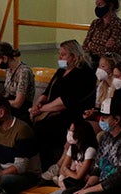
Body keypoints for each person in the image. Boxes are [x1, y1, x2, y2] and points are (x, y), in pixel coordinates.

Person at [31, 40, 96, 169]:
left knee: (44, 129)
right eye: (59, 54)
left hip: (72, 114)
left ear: (74, 56)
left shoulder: (83, 73)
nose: (60, 58)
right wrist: (38, 104)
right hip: (51, 111)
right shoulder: (61, 71)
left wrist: (42, 109)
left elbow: (65, 102)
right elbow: (47, 91)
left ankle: (52, 168)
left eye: (63, 55)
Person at [0, 42, 34, 119]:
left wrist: (0, 101)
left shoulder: (24, 72)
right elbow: (8, 94)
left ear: (5, 58)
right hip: (10, 107)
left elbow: (18, 103)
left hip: (21, 111)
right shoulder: (9, 70)